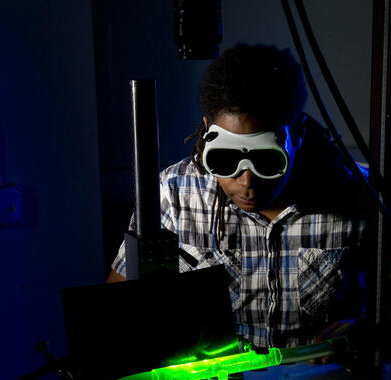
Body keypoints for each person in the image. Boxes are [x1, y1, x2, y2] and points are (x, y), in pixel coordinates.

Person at [108, 43, 368, 349]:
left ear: (296, 135)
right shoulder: (172, 195)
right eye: (226, 160)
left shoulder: (354, 197)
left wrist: (358, 328)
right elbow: (117, 310)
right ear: (206, 131)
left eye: (268, 162)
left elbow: (388, 298)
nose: (247, 183)